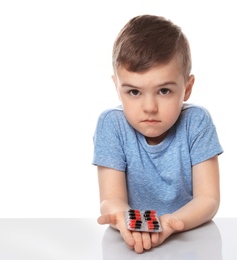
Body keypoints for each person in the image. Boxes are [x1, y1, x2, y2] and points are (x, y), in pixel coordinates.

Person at [92, 14, 223, 253]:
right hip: (130, 242)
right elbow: (111, 198)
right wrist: (123, 221)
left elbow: (208, 199)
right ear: (117, 88)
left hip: (191, 239)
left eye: (163, 91)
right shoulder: (112, 125)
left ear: (187, 88)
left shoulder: (196, 122)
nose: (149, 107)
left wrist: (169, 225)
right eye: (134, 92)